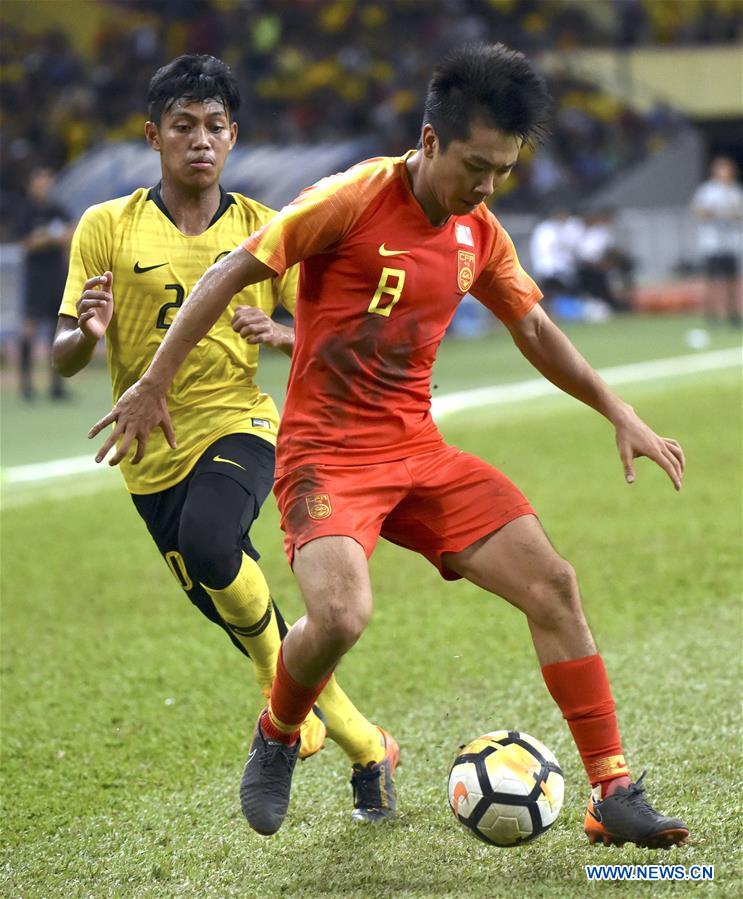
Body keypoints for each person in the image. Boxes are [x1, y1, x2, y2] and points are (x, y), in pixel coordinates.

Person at [89, 44, 688, 849]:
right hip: (324, 457)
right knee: (339, 614)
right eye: (475, 165)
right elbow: (231, 270)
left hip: (418, 451)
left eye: (503, 171)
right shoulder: (349, 197)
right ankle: (277, 730)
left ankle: (611, 790)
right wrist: (155, 380)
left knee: (553, 584)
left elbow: (535, 326)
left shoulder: (478, 227)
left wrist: (616, 408)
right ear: (431, 140)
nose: (484, 187)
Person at [52, 54, 397, 824]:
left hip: (240, 422)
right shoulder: (104, 226)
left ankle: (282, 731)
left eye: (214, 127)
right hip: (147, 455)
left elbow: (319, 332)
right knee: (266, 636)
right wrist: (88, 333)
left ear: (234, 136)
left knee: (215, 542)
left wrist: (276, 331)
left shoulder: (263, 229)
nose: (199, 140)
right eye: (183, 126)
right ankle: (369, 749)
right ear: (153, 136)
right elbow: (64, 350)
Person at [19, 166, 74, 401]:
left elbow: (71, 233)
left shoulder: (56, 208)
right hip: (36, 277)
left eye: (46, 180)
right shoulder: (26, 210)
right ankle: (26, 386)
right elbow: (27, 243)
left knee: (57, 330)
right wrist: (52, 239)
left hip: (56, 275)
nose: (44, 185)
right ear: (31, 185)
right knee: (29, 329)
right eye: (39, 181)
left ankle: (56, 386)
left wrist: (57, 238)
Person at [690, 155, 743, 327]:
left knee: (731, 280)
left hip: (731, 242)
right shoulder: (707, 190)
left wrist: (733, 215)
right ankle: (711, 315)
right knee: (712, 280)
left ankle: (732, 314)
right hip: (713, 243)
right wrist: (713, 213)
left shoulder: (735, 191)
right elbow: (698, 211)